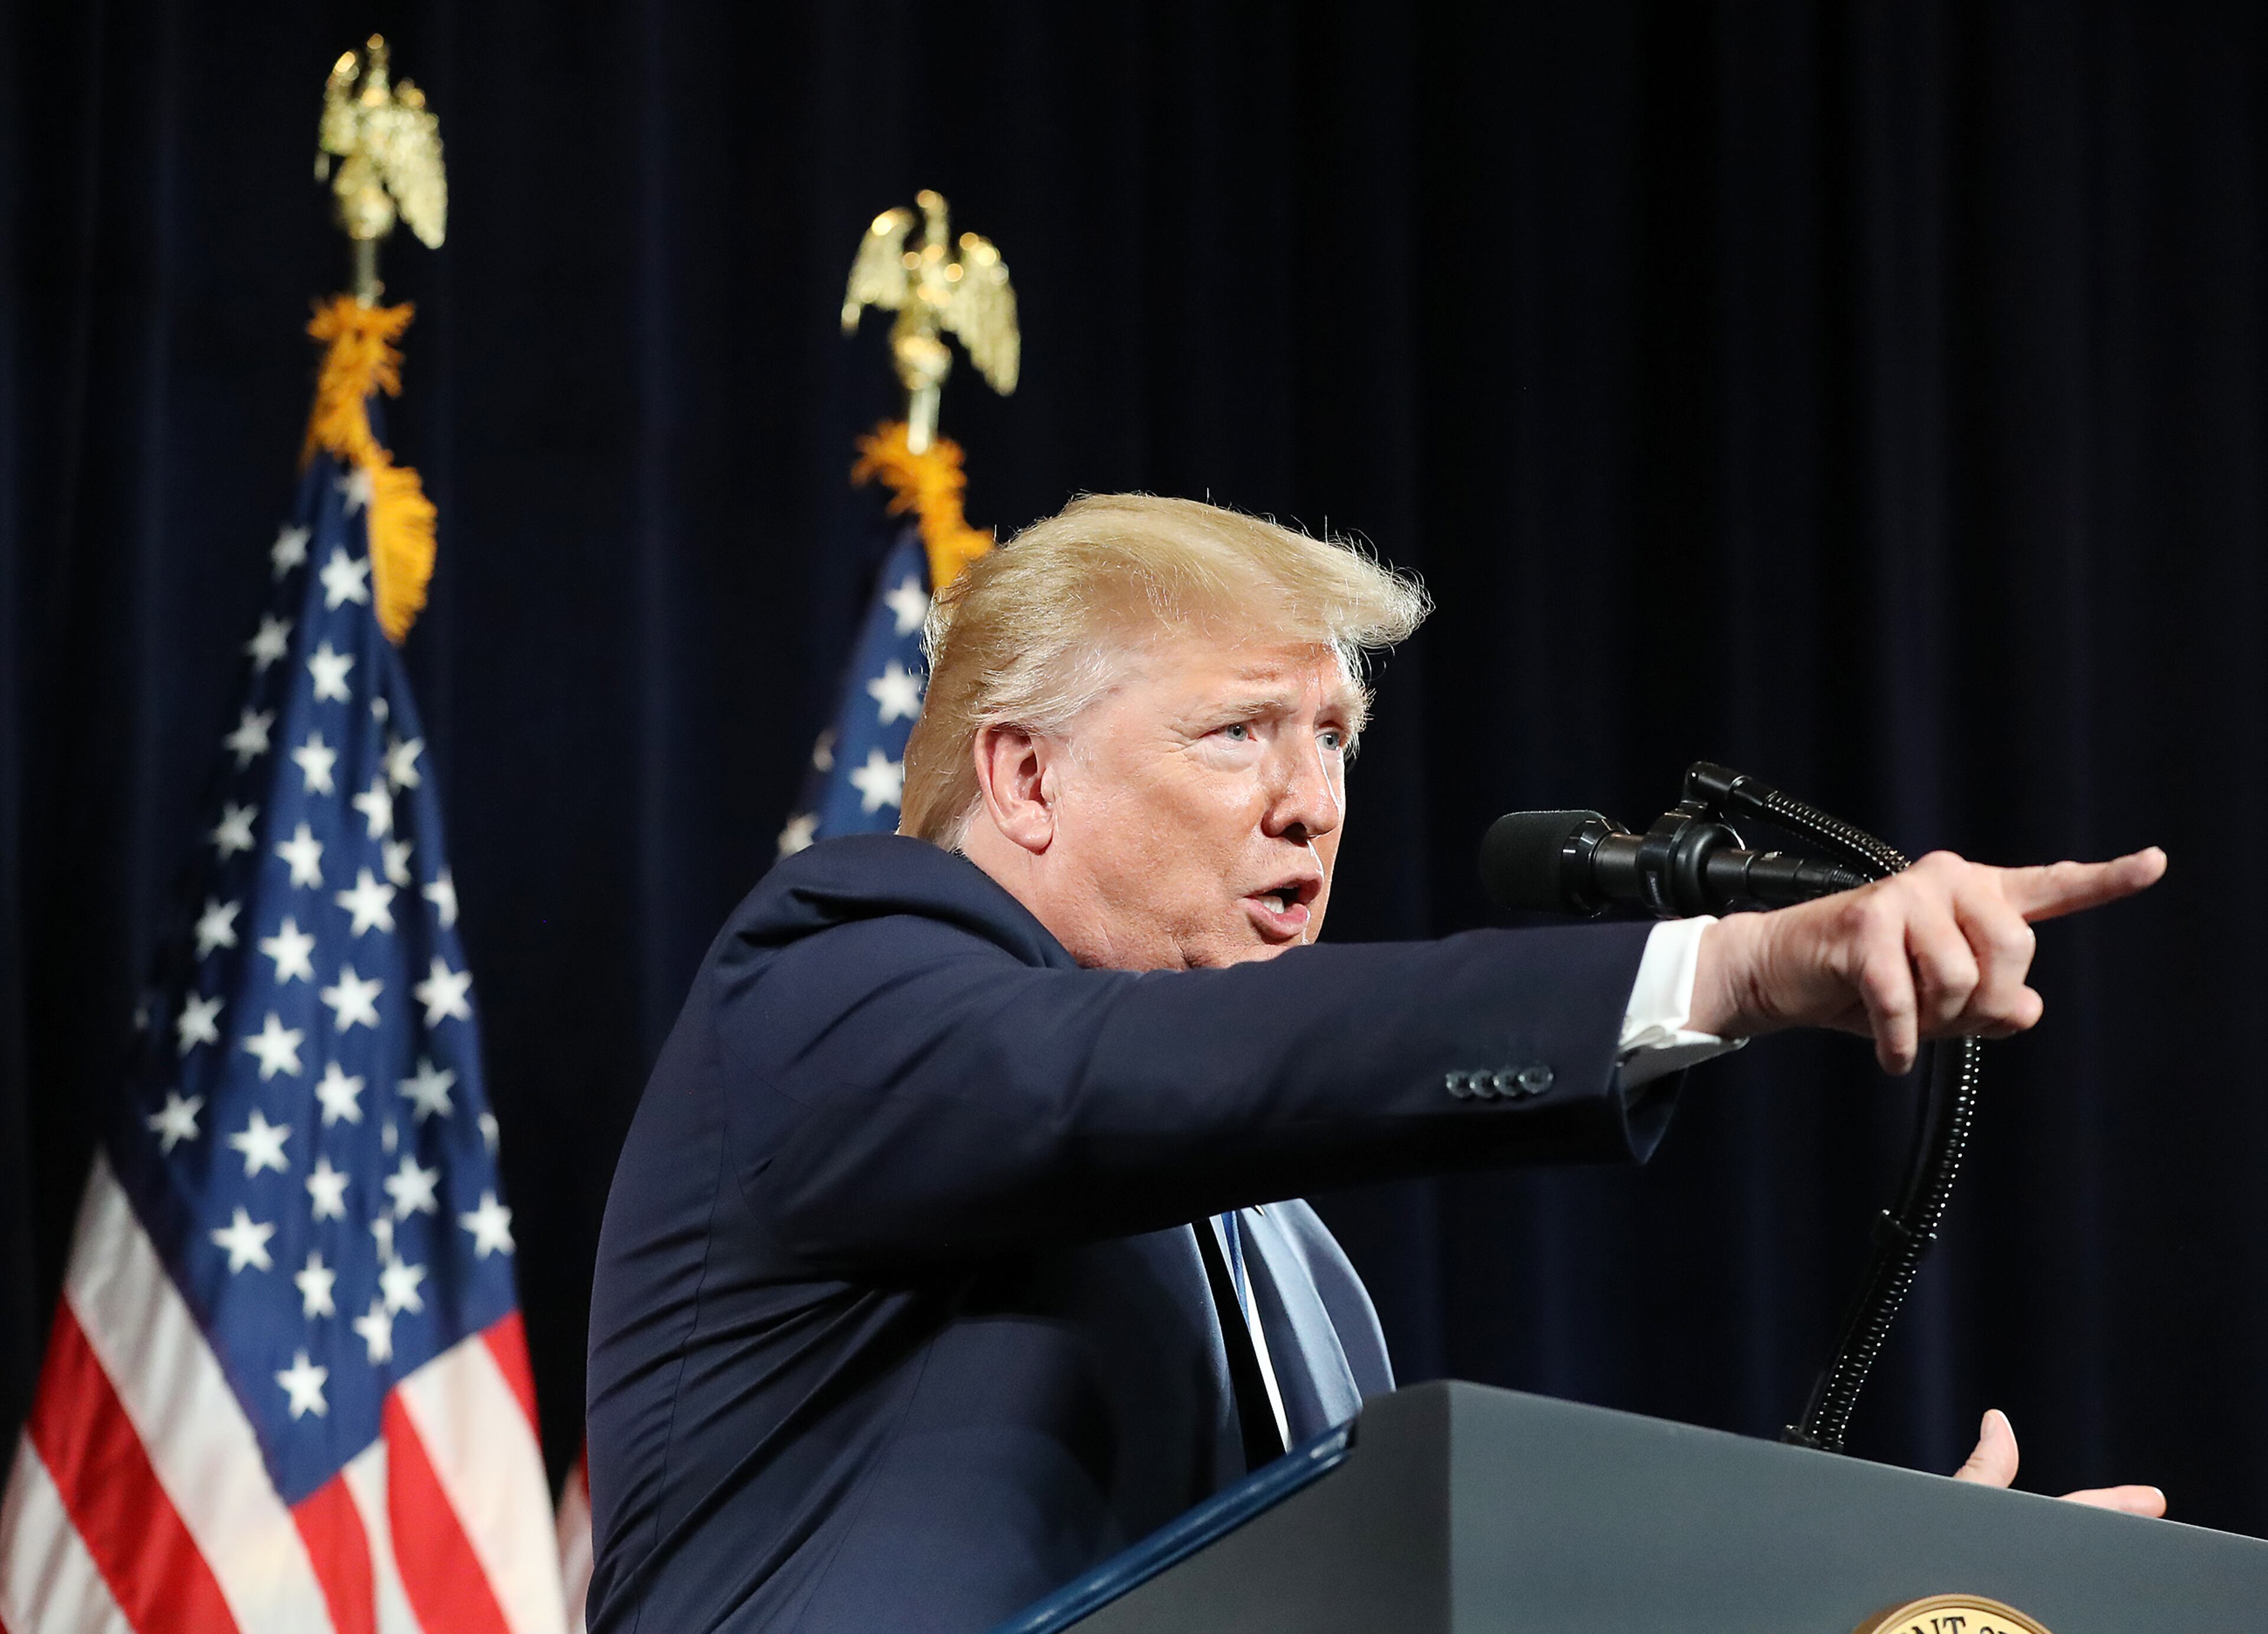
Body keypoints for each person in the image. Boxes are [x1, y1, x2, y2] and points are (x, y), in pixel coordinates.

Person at [584, 496, 2165, 1632]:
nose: (1311, 804)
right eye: (1239, 734)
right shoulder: (830, 987)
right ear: (1024, 775)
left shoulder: (1303, 1278)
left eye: (1333, 739)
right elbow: (1123, 1078)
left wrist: (1877, 1603)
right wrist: (1740, 966)